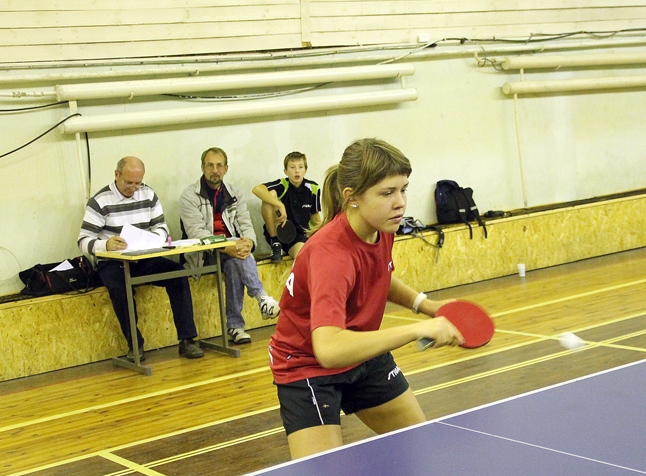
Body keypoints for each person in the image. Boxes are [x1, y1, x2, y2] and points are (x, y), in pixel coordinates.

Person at [268, 138, 464, 459]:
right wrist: (416, 330)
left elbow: (378, 275)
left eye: (403, 189)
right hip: (308, 367)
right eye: (387, 193)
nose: (400, 202)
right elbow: (329, 350)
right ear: (352, 198)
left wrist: (426, 306)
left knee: (418, 447)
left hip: (363, 353)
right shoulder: (331, 255)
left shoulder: (383, 225)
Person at [78, 156, 203, 361]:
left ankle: (187, 340)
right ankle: (135, 345)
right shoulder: (99, 201)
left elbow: (161, 227)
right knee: (120, 288)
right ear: (117, 175)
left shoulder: (148, 194)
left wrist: (154, 239)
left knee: (178, 275)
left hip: (144, 257)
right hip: (113, 262)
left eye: (138, 183)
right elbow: (83, 240)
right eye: (129, 183)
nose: (134, 188)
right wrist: (105, 245)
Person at [179, 147, 280, 345]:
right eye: (210, 165)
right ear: (202, 167)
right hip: (204, 254)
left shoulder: (235, 193)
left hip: (233, 253)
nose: (214, 170)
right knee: (236, 252)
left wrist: (248, 243)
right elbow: (197, 234)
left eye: (219, 165)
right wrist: (229, 247)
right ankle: (261, 298)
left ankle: (235, 326)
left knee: (235, 262)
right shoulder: (189, 196)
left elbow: (246, 226)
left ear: (226, 168)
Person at [251, 151, 322, 262]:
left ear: (305, 170)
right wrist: (279, 205)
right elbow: (256, 189)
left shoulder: (313, 188)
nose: (297, 171)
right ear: (286, 171)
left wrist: (323, 236)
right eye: (292, 167)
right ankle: (275, 243)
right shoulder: (282, 184)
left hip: (302, 234)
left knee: (306, 257)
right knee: (269, 195)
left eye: (300, 167)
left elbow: (315, 215)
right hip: (282, 231)